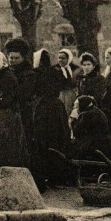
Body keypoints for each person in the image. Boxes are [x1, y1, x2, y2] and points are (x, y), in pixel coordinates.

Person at [0, 50, 29, 191]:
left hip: (6, 118)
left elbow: (9, 100)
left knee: (2, 150)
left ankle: (1, 181)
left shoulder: (7, 77)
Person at [31, 49, 72, 190]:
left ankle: (44, 174)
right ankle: (57, 175)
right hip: (56, 108)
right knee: (56, 138)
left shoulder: (35, 73)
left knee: (43, 140)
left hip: (43, 107)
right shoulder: (55, 72)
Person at [4, 38, 38, 144]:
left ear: (23, 58)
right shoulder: (6, 72)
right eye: (11, 58)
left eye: (16, 58)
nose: (12, 60)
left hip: (23, 113)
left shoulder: (29, 75)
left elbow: (23, 95)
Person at [67, 95, 111, 162]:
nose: (75, 109)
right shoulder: (99, 112)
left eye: (76, 107)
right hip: (108, 147)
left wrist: (73, 121)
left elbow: (77, 133)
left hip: (95, 147)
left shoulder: (85, 115)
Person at [56, 48, 78, 116]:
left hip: (71, 95)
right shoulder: (55, 69)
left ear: (68, 59)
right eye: (59, 58)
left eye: (63, 58)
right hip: (60, 95)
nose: (60, 60)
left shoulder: (74, 70)